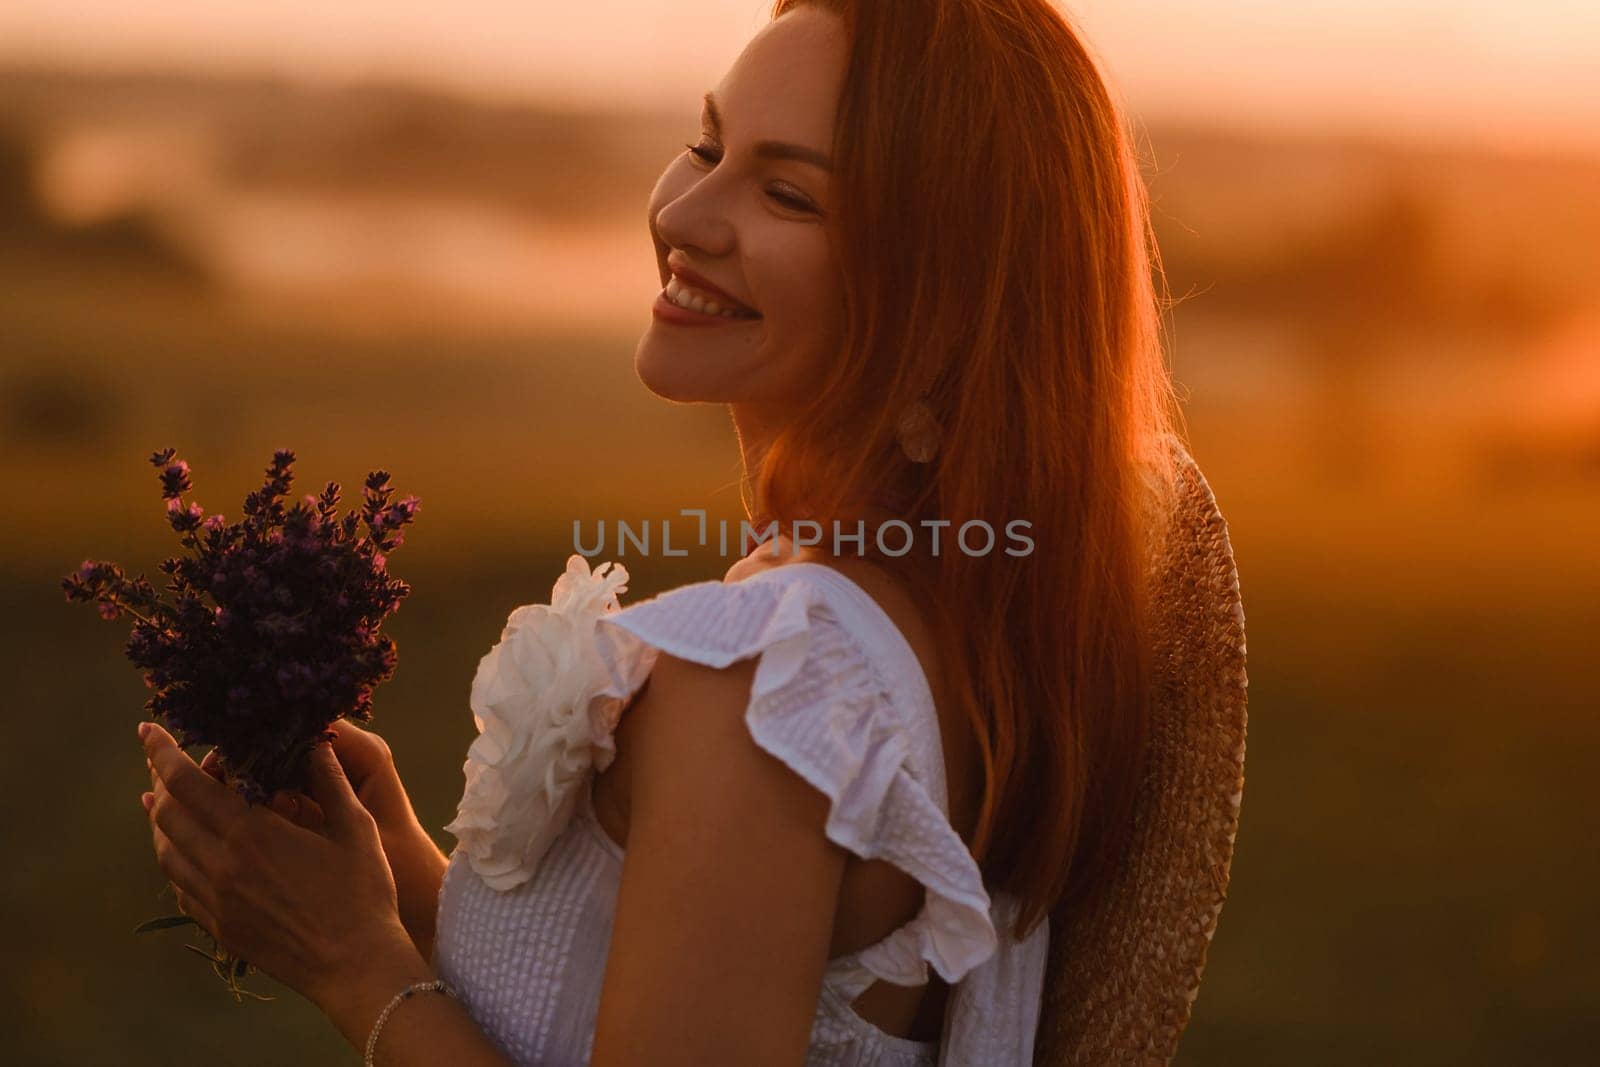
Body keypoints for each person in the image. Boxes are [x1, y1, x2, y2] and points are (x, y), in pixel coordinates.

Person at [138, 1, 1187, 1063]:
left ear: (944, 304)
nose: (685, 211)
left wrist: (349, 962)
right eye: (706, 144)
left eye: (786, 192)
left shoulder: (769, 681)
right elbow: (627, 993)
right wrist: (401, 878)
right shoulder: (923, 617)